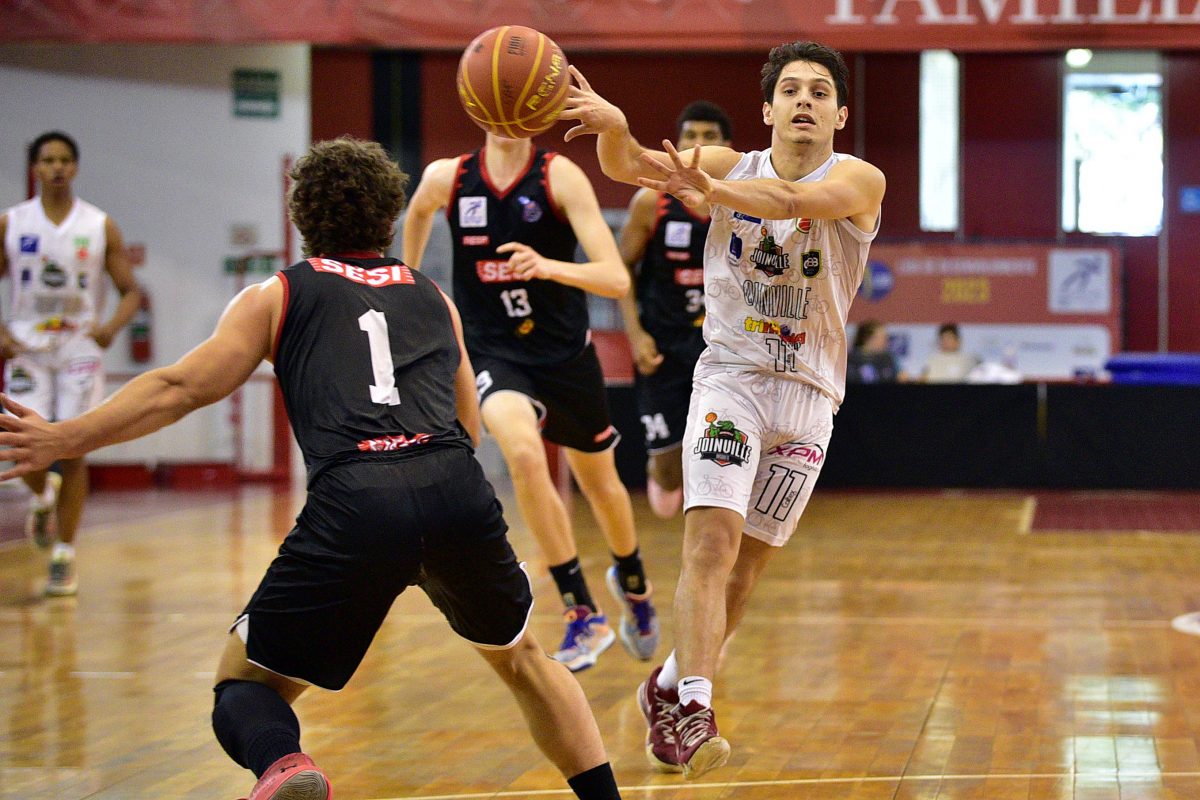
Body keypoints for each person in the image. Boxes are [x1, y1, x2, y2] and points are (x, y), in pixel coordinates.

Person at [0, 138, 623, 800]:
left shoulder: (277, 295)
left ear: (302, 214)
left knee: (243, 686)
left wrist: (66, 437)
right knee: (526, 661)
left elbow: (179, 388)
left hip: (356, 500)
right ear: (388, 216)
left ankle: (286, 765)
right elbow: (468, 425)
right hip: (453, 487)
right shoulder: (432, 295)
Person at [561, 40, 886, 778]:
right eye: (791, 91)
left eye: (820, 92)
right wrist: (616, 127)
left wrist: (712, 193)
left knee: (745, 574)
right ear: (767, 109)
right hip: (731, 381)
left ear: (839, 114)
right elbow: (628, 167)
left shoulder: (859, 179)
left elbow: (794, 204)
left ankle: (669, 685)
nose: (805, 102)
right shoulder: (723, 163)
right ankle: (695, 709)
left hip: (810, 398)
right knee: (711, 544)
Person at [402, 130, 659, 671]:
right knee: (521, 452)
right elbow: (418, 210)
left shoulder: (557, 175)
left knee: (602, 486)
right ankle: (581, 611)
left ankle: (633, 582)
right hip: (493, 352)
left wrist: (546, 266)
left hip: (563, 355)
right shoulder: (450, 177)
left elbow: (615, 278)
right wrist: (411, 282)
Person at [0, 131, 143, 596]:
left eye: (64, 160)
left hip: (78, 347)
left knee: (75, 447)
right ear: (35, 168)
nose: (57, 167)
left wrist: (111, 327)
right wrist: (2, 334)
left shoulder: (99, 225)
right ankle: (43, 494)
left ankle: (64, 554)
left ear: (75, 167)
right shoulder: (12, 223)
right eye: (48, 160)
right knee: (23, 444)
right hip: (27, 347)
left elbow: (130, 291)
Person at [618, 101, 732, 519]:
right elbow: (621, 269)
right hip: (664, 345)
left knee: (721, 453)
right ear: (677, 144)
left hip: (722, 349)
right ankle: (667, 479)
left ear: (726, 147)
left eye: (709, 137)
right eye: (690, 136)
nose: (698, 145)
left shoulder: (743, 202)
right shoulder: (651, 203)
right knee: (668, 470)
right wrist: (635, 335)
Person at [846, 319, 905, 383]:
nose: (886, 342)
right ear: (868, 338)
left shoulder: (888, 358)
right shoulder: (849, 359)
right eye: (882, 338)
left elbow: (903, 377)